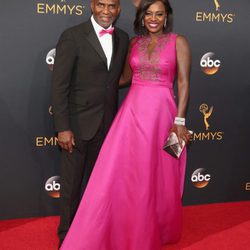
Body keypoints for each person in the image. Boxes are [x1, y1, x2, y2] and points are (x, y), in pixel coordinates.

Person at [60, 0, 192, 249]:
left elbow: (184, 83)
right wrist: (90, 85)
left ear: (166, 17)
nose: (153, 19)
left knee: (157, 174)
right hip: (132, 113)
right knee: (124, 174)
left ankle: (153, 227)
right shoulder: (133, 43)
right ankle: (121, 225)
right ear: (142, 17)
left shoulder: (179, 42)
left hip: (162, 114)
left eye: (159, 14)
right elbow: (122, 79)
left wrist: (180, 121)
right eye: (148, 14)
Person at [51, 0, 129, 246]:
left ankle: (96, 235)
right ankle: (67, 238)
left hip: (107, 126)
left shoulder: (123, 38)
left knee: (102, 187)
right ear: (92, 6)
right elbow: (59, 86)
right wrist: (63, 128)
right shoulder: (72, 36)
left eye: (112, 6)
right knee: (72, 189)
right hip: (76, 126)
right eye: (101, 5)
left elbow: (114, 80)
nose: (107, 11)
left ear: (119, 9)